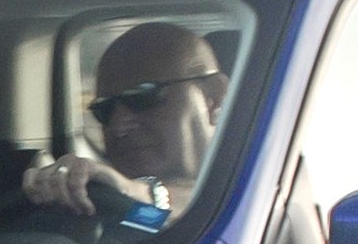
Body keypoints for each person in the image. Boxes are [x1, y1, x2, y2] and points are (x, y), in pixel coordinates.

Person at [20, 20, 226, 222]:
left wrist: (142, 195)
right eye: (104, 109)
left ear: (214, 97)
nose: (118, 127)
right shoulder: (104, 200)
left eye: (143, 97)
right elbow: (151, 221)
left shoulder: (254, 178)